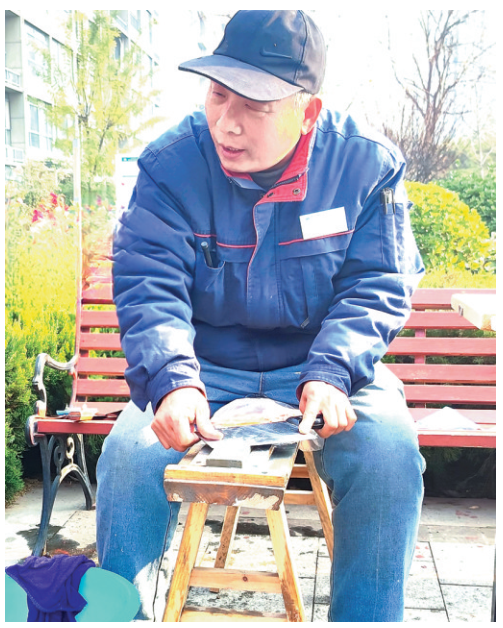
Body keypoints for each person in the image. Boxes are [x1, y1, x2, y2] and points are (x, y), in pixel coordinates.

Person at [96, 10, 426, 622]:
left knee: (388, 456)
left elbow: (378, 282)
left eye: (255, 105)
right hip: (202, 366)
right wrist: (172, 380)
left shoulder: (365, 167)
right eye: (218, 95)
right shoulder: (170, 166)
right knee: (128, 458)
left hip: (324, 363)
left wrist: (333, 370)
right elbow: (149, 282)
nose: (228, 122)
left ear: (309, 111)